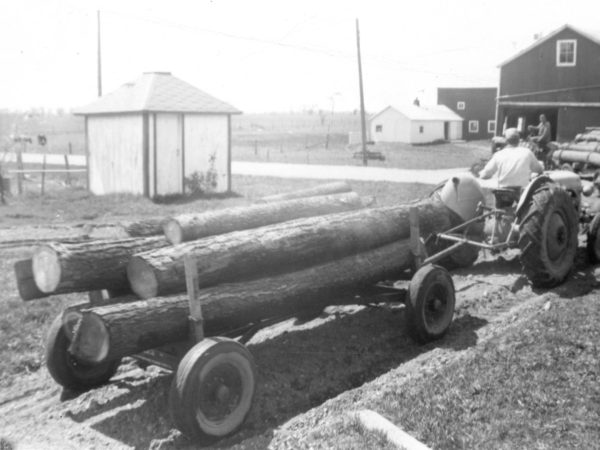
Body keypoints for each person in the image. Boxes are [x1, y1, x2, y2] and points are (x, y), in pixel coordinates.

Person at [479, 128, 544, 189]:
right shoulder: (527, 152)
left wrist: (482, 173)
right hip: (522, 194)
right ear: (519, 140)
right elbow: (539, 170)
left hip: (503, 193)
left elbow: (484, 176)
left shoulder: (499, 154)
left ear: (506, 141)